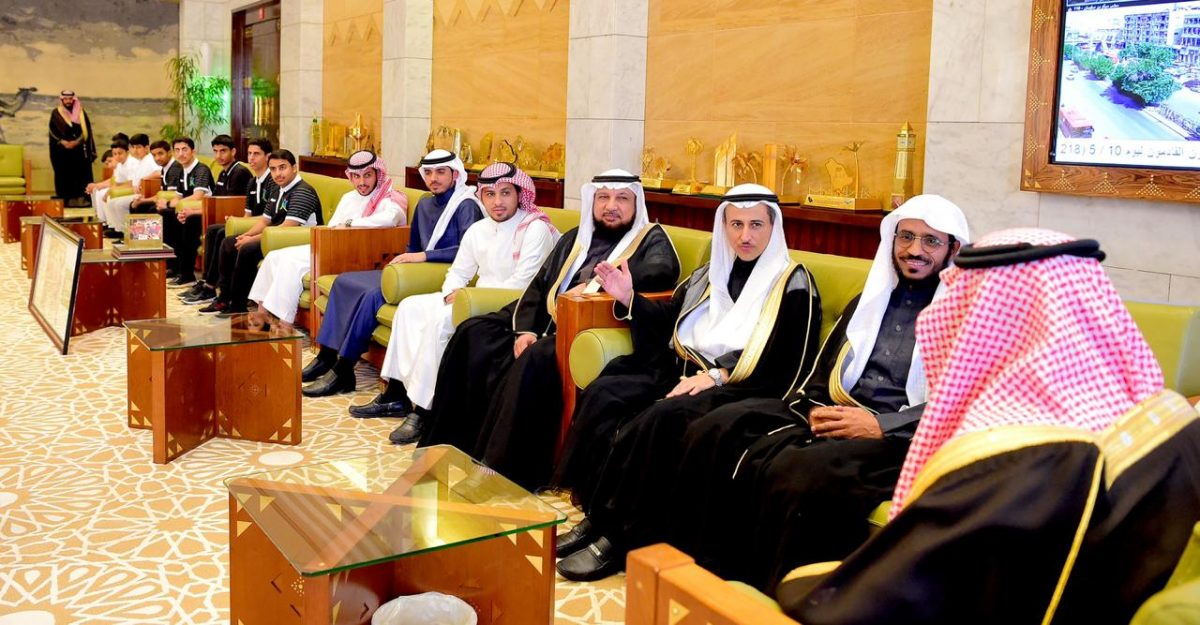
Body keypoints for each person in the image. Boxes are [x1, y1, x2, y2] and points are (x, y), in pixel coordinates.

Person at [775, 229, 1200, 625]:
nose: (944, 317)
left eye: (965, 305)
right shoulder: (1167, 418)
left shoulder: (1009, 459)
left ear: (995, 319)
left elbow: (907, 594)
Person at [619, 195, 969, 592]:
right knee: (720, 427)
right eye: (906, 237)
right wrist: (814, 407)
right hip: (834, 409)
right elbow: (823, 370)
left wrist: (881, 424)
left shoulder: (966, 317)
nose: (914, 250)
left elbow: (961, 402)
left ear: (953, 249)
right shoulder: (869, 301)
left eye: (930, 241)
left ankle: (775, 593)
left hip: (902, 437)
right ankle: (699, 569)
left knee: (798, 472)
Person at [550, 185, 826, 581]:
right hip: (683, 370)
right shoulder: (710, 273)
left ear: (773, 227)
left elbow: (788, 356)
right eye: (736, 225)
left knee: (661, 417)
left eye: (755, 225)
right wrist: (630, 298)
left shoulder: (793, 283)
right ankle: (596, 516)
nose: (745, 236)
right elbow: (672, 322)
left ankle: (620, 538)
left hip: (740, 385)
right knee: (608, 391)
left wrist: (718, 374)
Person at [407, 169, 682, 488]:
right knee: (473, 332)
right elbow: (541, 283)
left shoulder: (651, 239)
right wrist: (526, 329)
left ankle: (498, 469)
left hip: (589, 326)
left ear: (636, 203)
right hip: (549, 318)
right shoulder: (576, 237)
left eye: (622, 198)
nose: (611, 206)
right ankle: (448, 444)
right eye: (603, 198)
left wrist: (602, 283)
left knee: (536, 358)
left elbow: (663, 270)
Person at [350, 162, 558, 431]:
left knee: (440, 322)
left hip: (511, 306)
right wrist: (451, 292)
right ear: (482, 196)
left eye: (505, 193)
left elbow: (523, 284)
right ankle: (396, 394)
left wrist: (469, 296)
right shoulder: (478, 229)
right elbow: (458, 271)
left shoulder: (534, 229)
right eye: (490, 194)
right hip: (472, 298)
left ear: (520, 194)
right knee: (410, 307)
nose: (497, 202)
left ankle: (425, 411)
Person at [300, 149, 482, 397]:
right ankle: (327, 355)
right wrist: (401, 263)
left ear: (455, 174)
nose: (434, 178)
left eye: (441, 172)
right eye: (429, 172)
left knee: (373, 294)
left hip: (444, 272)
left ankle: (344, 370)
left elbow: (467, 251)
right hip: (415, 269)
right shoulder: (425, 203)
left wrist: (422, 257)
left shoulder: (466, 205)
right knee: (345, 282)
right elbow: (413, 246)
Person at [247, 150, 407, 329]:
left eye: (367, 175)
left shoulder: (391, 197)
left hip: (360, 255)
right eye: (356, 176)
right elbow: (332, 226)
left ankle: (284, 324)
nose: (361, 182)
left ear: (378, 173)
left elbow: (390, 219)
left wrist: (349, 224)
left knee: (290, 263)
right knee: (275, 256)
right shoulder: (349, 197)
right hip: (333, 246)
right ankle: (262, 313)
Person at [202, 149, 321, 317]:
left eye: (282, 168)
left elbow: (287, 227)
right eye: (273, 169)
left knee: (248, 249)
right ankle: (224, 298)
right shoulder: (279, 189)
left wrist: (251, 240)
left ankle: (238, 304)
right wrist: (247, 235)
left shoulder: (303, 191)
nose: (278, 173)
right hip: (275, 237)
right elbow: (265, 220)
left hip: (296, 240)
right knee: (229, 241)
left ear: (294, 168)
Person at [184, 138, 275, 306]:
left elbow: (269, 219)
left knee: (222, 234)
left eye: (256, 154)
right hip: (253, 224)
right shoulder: (252, 181)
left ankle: (220, 290)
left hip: (267, 229)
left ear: (268, 157)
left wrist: (245, 233)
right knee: (214, 230)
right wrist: (239, 227)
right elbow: (247, 215)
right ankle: (209, 284)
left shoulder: (272, 181)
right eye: (249, 153)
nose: (251, 158)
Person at [156, 137, 215, 287]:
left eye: (184, 149)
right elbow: (179, 196)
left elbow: (198, 196)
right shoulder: (183, 170)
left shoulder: (201, 170)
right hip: (188, 210)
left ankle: (187, 274)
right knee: (164, 215)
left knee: (185, 220)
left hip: (205, 213)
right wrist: (169, 205)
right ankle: (174, 267)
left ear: (193, 151)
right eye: (177, 150)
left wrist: (170, 204)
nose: (180, 154)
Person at [103, 133, 160, 239]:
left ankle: (125, 232)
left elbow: (159, 172)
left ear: (146, 148)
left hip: (147, 193)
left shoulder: (151, 159)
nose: (135, 150)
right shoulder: (140, 161)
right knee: (113, 202)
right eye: (133, 147)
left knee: (120, 204)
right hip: (137, 192)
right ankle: (119, 229)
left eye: (138, 147)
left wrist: (144, 179)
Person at [47, 90, 95, 207]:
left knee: (81, 174)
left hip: (78, 150)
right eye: (66, 99)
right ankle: (66, 200)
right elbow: (52, 131)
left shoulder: (81, 113)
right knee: (64, 174)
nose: (68, 101)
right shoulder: (56, 113)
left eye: (70, 99)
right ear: (62, 100)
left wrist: (76, 142)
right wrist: (63, 142)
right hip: (62, 151)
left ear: (73, 100)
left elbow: (86, 131)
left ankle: (82, 200)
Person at [86, 138, 133, 230]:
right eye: (115, 154)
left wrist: (110, 190)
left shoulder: (131, 163)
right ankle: (106, 222)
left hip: (133, 189)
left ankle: (118, 228)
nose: (117, 156)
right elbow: (115, 181)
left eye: (120, 153)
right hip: (125, 188)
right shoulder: (120, 165)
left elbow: (130, 183)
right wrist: (103, 187)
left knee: (109, 197)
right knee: (100, 192)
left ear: (127, 152)